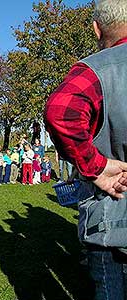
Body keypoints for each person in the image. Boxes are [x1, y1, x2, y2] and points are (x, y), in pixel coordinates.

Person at [44, 2, 127, 298]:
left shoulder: (98, 69)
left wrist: (96, 167)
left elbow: (60, 110)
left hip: (114, 216)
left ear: (97, 27)